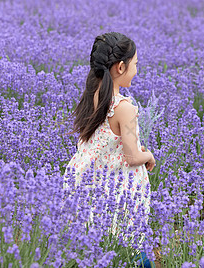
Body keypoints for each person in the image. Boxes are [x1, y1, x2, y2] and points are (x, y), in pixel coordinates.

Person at [64, 32, 156, 267]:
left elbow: (106, 144)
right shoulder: (124, 107)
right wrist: (148, 155)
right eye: (135, 65)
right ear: (121, 67)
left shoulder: (93, 96)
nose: (137, 71)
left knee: (95, 246)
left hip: (91, 184)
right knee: (130, 246)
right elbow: (132, 156)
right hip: (117, 193)